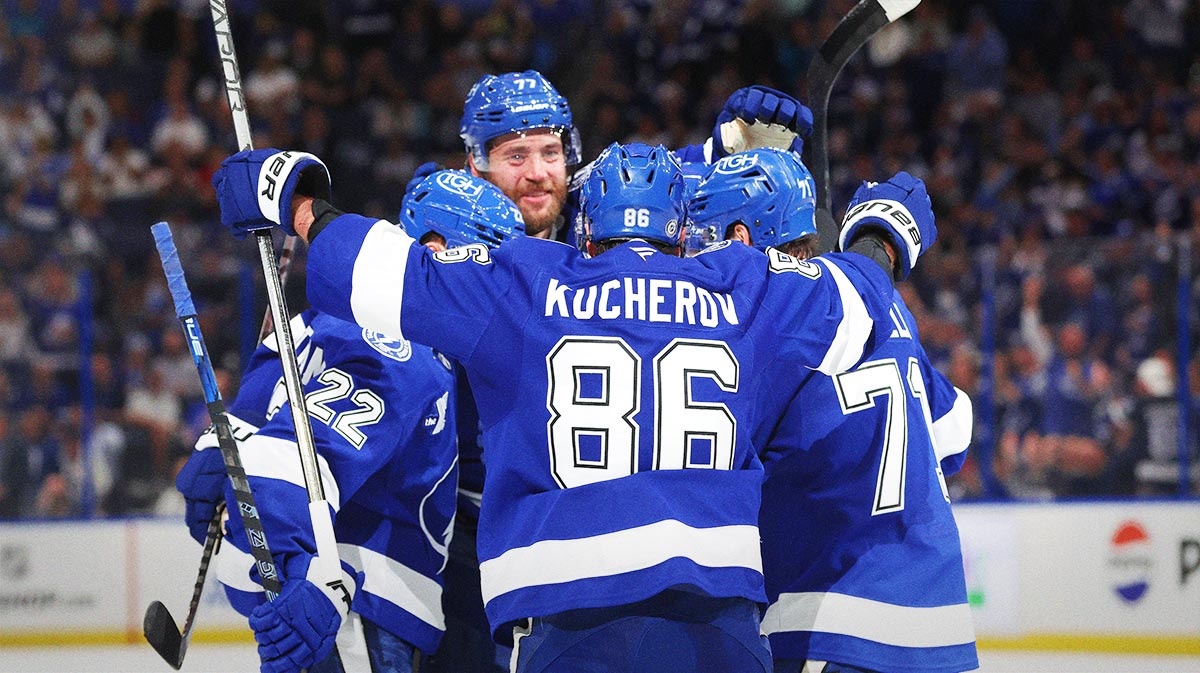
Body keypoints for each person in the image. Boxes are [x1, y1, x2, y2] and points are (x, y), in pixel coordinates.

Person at [211, 140, 936, 672]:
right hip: (724, 631)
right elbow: (858, 296)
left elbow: (377, 269)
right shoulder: (744, 285)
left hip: (569, 627)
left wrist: (297, 198)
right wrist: (882, 232)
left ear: (584, 231)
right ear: (683, 234)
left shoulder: (529, 282)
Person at [174, 172, 521, 673]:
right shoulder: (405, 347)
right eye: (487, 261)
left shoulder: (322, 320)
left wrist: (221, 448)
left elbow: (244, 440)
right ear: (437, 248)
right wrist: (302, 575)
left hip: (344, 603)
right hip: (357, 610)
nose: (495, 292)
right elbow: (294, 460)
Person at [689, 147, 978, 673]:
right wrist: (881, 237)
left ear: (739, 237)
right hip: (940, 628)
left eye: (705, 236)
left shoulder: (763, 318)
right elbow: (956, 432)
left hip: (831, 625)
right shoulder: (893, 320)